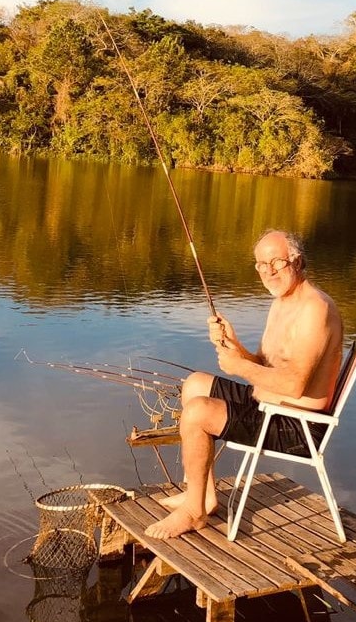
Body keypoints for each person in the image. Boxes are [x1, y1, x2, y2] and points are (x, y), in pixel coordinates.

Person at [145, 228, 344, 540]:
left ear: (297, 261)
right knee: (195, 384)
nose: (268, 272)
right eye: (261, 265)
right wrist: (233, 344)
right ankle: (203, 496)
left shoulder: (314, 309)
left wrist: (237, 367)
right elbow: (266, 367)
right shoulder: (283, 301)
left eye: (276, 263)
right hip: (267, 404)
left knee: (197, 413)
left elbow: (293, 386)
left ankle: (194, 514)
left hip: (295, 426)